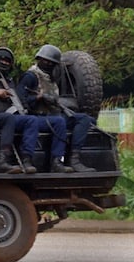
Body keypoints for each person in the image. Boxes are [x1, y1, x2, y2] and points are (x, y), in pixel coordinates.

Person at [18, 44, 93, 172]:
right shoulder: (31, 76)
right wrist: (38, 98)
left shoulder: (52, 78)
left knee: (85, 119)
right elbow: (20, 100)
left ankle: (74, 159)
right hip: (37, 117)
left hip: (54, 114)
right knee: (59, 122)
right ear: (39, 59)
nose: (47, 63)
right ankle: (57, 161)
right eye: (44, 60)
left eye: (51, 62)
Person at [0, 48, 41, 174]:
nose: (4, 63)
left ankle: (26, 159)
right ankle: (2, 162)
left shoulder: (10, 82)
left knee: (32, 120)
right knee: (7, 118)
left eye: (7, 61)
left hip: (9, 118)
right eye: (1, 60)